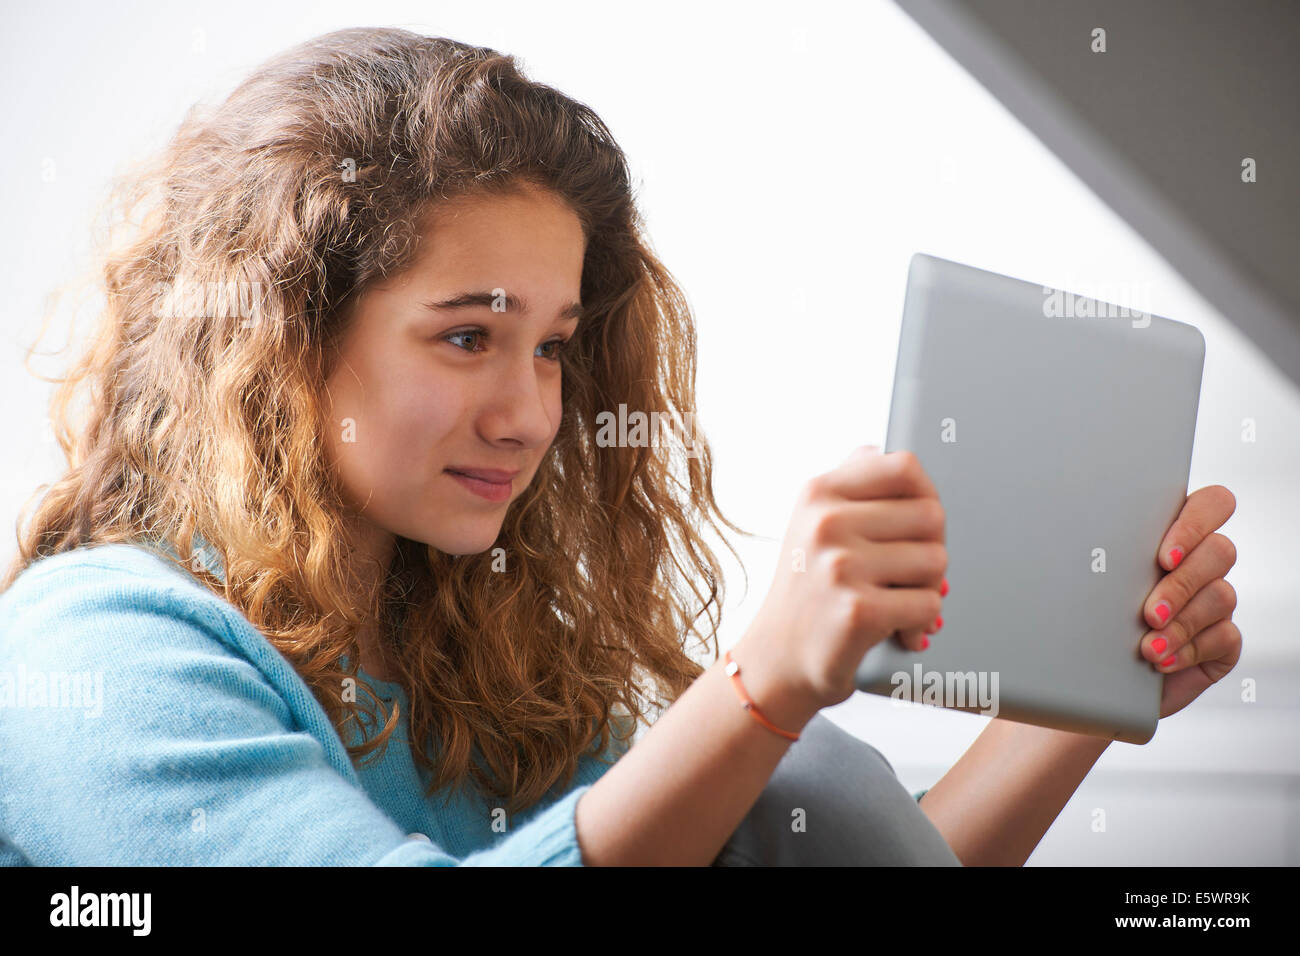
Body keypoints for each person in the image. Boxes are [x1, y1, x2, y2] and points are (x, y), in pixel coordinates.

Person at [0, 28, 1241, 867]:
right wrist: (756, 688)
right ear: (280, 341)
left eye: (550, 346)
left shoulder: (473, 656)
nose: (529, 412)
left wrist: (1088, 689)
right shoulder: (96, 655)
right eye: (468, 336)